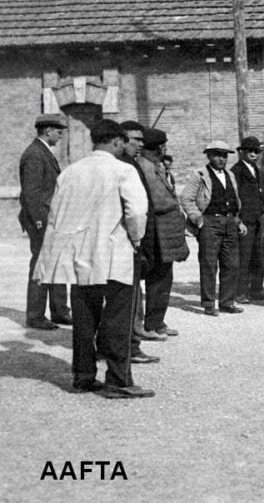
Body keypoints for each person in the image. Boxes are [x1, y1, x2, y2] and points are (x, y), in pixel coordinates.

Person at [32, 119, 152, 398]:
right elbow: (136, 212)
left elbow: (55, 214)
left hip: (81, 258)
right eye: (125, 142)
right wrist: (136, 240)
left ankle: (83, 377)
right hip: (115, 255)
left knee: (85, 318)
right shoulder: (124, 170)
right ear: (116, 141)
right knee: (119, 318)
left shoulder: (70, 172)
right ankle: (118, 381)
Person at [179, 140, 246, 316]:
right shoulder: (199, 175)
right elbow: (186, 198)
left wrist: (238, 221)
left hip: (229, 223)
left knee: (231, 264)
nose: (221, 159)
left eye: (224, 155)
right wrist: (198, 219)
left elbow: (234, 200)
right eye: (217, 155)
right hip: (209, 223)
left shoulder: (230, 175)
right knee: (209, 264)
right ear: (209, 156)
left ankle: (227, 302)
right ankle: (209, 304)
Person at [135, 128, 189, 339]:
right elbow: (157, 200)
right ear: (159, 147)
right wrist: (175, 206)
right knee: (157, 276)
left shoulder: (154, 165)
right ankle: (151, 324)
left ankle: (157, 321)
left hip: (165, 230)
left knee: (164, 276)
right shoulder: (146, 168)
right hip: (157, 230)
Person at [19, 113, 70, 331]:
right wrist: (39, 220)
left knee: (56, 263)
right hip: (41, 218)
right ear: (47, 130)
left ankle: (59, 311)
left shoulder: (41, 152)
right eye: (59, 132)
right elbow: (31, 193)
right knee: (41, 266)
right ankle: (35, 316)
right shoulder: (34, 154)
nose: (60, 136)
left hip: (50, 217)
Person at [118, 121, 158, 364]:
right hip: (129, 240)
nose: (140, 144)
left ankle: (129, 340)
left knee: (132, 293)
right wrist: (137, 239)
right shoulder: (123, 165)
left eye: (142, 140)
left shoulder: (134, 163)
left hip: (138, 238)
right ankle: (131, 347)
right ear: (121, 140)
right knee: (128, 296)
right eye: (135, 139)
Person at [231, 136, 264, 303]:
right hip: (245, 220)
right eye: (250, 151)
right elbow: (233, 196)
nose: (253, 154)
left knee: (258, 256)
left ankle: (256, 289)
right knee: (244, 257)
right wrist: (238, 220)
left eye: (256, 151)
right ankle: (240, 292)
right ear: (242, 152)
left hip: (258, 219)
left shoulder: (258, 170)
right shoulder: (237, 171)